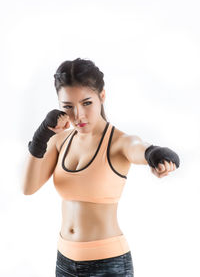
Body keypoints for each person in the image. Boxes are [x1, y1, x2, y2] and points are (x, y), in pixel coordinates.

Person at [22, 58, 180, 277]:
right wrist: (42, 135)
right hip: (64, 261)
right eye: (68, 107)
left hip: (108, 264)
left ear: (102, 96)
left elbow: (137, 147)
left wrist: (153, 154)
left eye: (87, 103)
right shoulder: (60, 141)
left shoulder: (118, 142)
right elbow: (27, 187)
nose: (78, 116)